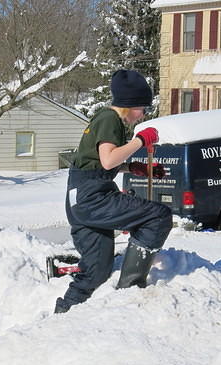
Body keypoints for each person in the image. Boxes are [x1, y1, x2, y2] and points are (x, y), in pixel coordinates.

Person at [54, 69, 172, 314]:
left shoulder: (103, 119)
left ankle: (64, 313)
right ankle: (131, 287)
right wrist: (141, 141)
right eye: (142, 109)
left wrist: (136, 168)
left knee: (97, 269)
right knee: (159, 216)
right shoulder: (110, 120)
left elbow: (98, 164)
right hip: (94, 198)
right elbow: (108, 161)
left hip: (79, 200)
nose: (142, 115)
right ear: (130, 104)